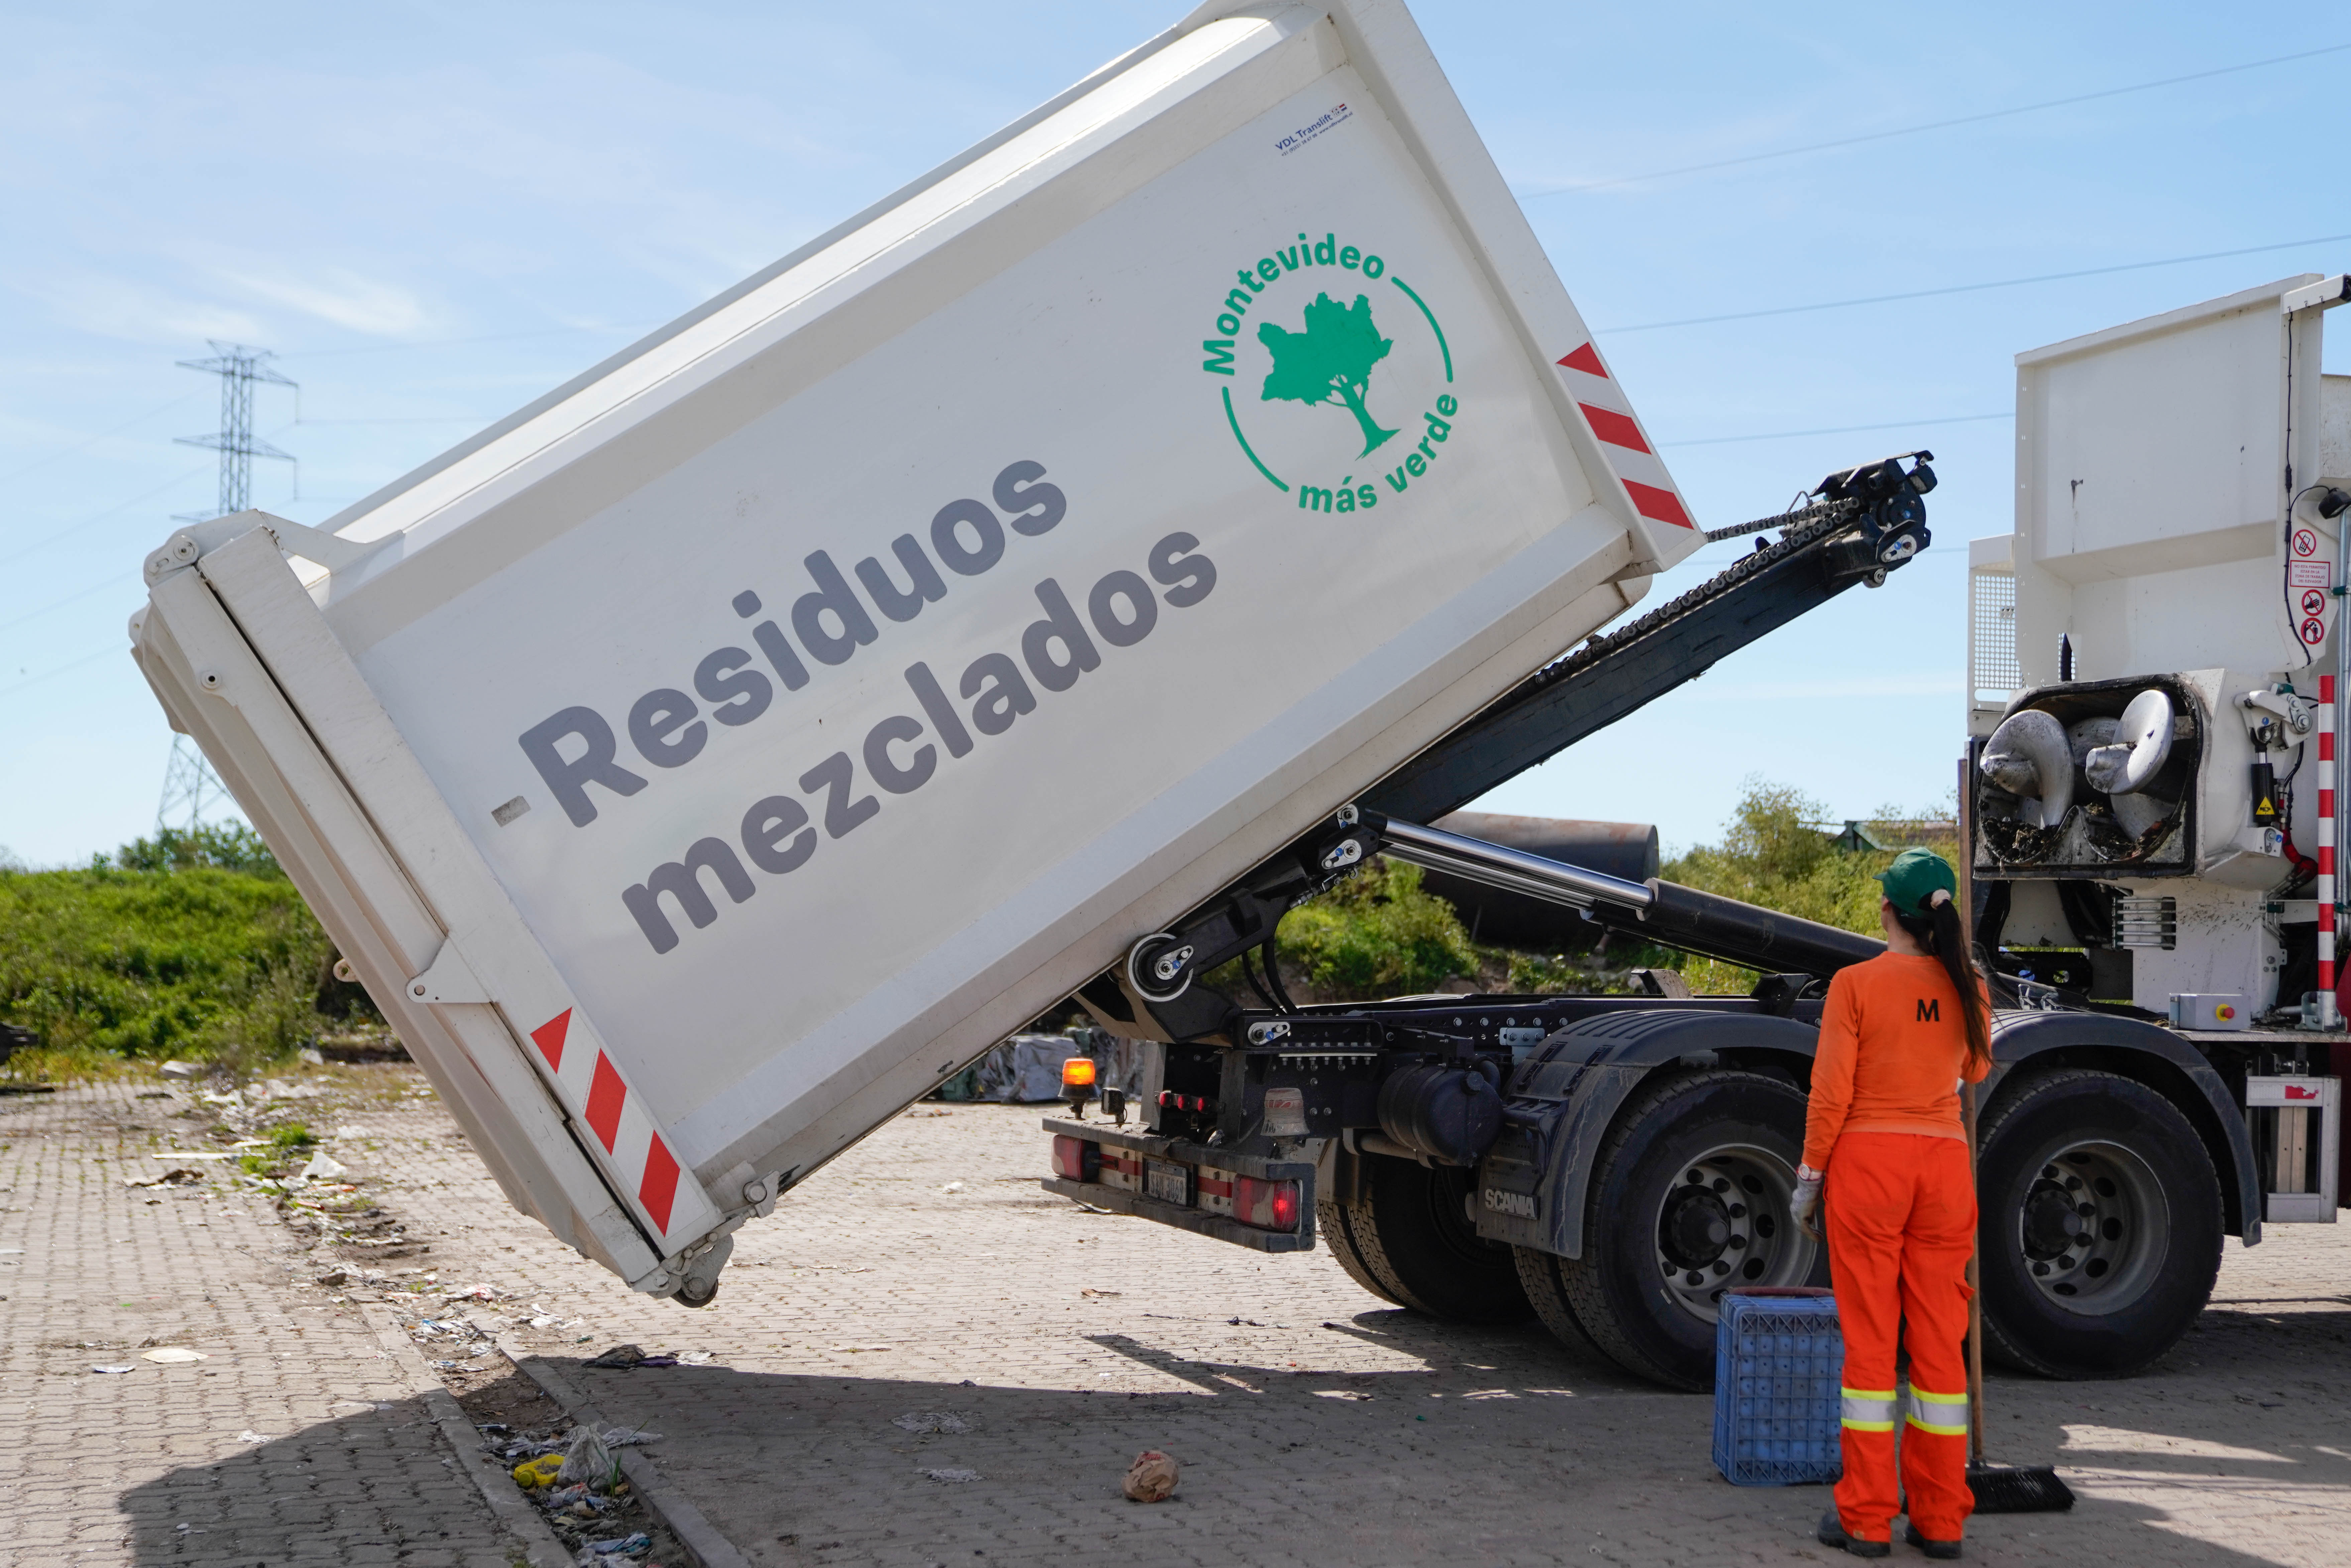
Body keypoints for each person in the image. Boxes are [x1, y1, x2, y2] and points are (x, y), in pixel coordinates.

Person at [1794, 848, 1992, 1561]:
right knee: (1941, 1347)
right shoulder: (1969, 983)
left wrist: (1809, 1178)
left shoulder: (1855, 984)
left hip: (1869, 1168)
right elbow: (1973, 1069)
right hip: (1943, 1168)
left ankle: (1867, 1518)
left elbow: (1832, 1092)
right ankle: (1940, 1520)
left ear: (1888, 910)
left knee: (1873, 1347)